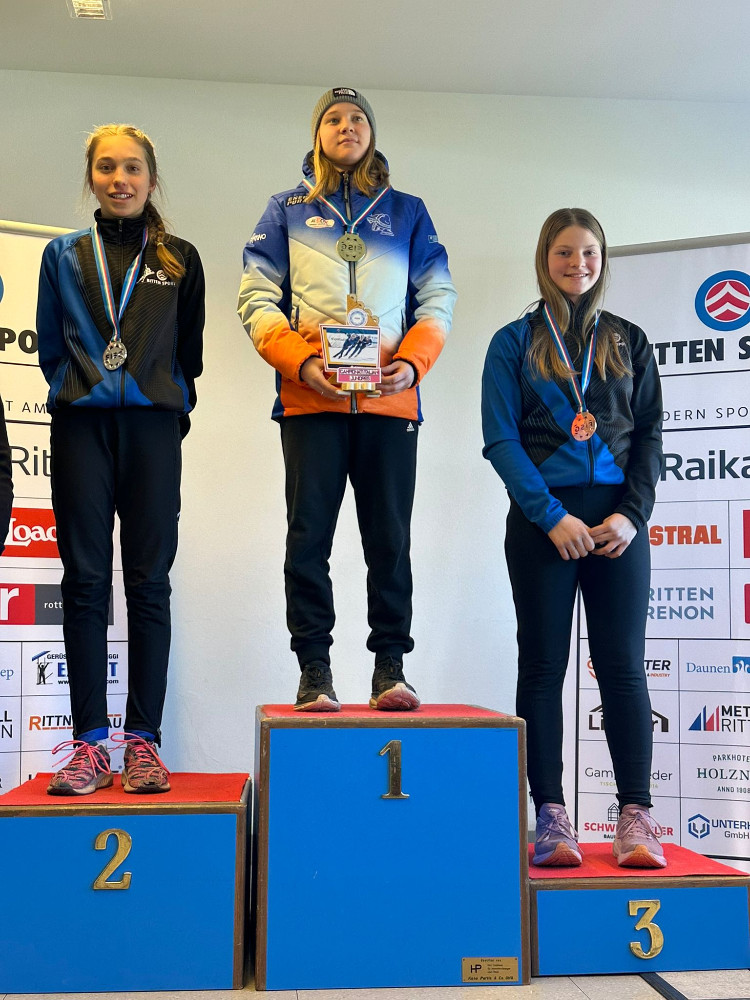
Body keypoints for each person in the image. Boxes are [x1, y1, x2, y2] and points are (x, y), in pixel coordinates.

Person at [238, 87, 456, 712]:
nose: (346, 126)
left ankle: (391, 668)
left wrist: (412, 364)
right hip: (312, 402)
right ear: (317, 134)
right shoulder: (286, 210)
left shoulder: (408, 212)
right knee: (308, 539)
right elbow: (255, 296)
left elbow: (438, 297)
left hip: (390, 403)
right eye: (333, 119)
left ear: (372, 133)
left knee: (389, 539)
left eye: (358, 118)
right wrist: (300, 362)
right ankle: (315, 671)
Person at [481, 208, 665, 868]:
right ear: (544, 258)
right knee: (542, 667)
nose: (577, 264)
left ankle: (635, 816)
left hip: (617, 527)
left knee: (622, 667)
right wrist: (549, 515)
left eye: (589, 252)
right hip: (544, 527)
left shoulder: (628, 341)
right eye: (564, 252)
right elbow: (501, 440)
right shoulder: (512, 342)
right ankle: (552, 816)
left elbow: (650, 438)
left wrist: (632, 515)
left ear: (602, 260)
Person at [37, 124, 205, 795]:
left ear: (151, 179)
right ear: (92, 178)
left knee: (149, 584)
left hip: (153, 430)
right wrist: (84, 390)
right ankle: (88, 745)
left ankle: (142, 743)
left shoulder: (180, 258)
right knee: (84, 581)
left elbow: (189, 354)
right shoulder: (62, 254)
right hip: (80, 427)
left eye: (132, 168)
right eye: (106, 167)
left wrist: (161, 403)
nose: (120, 179)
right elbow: (51, 346)